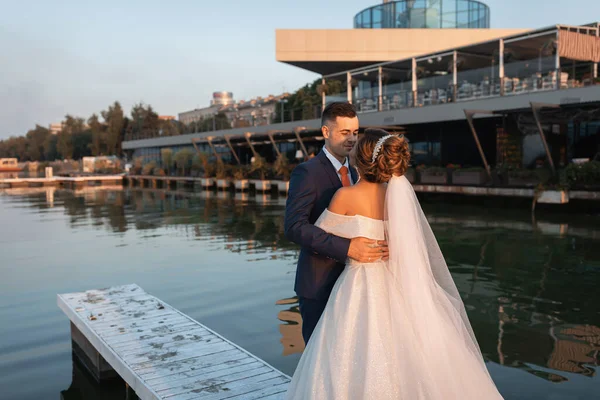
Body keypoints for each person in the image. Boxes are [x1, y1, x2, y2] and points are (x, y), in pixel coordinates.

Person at [284, 129, 504, 399]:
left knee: (352, 355)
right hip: (395, 284)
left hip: (359, 287)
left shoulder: (344, 197)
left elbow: (319, 233)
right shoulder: (397, 199)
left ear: (360, 159)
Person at [284, 102, 389, 345]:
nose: (352, 139)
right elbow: (294, 226)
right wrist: (348, 248)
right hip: (319, 282)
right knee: (318, 357)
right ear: (325, 131)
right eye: (344, 133)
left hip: (357, 285)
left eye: (355, 132)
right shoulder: (306, 172)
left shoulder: (358, 172)